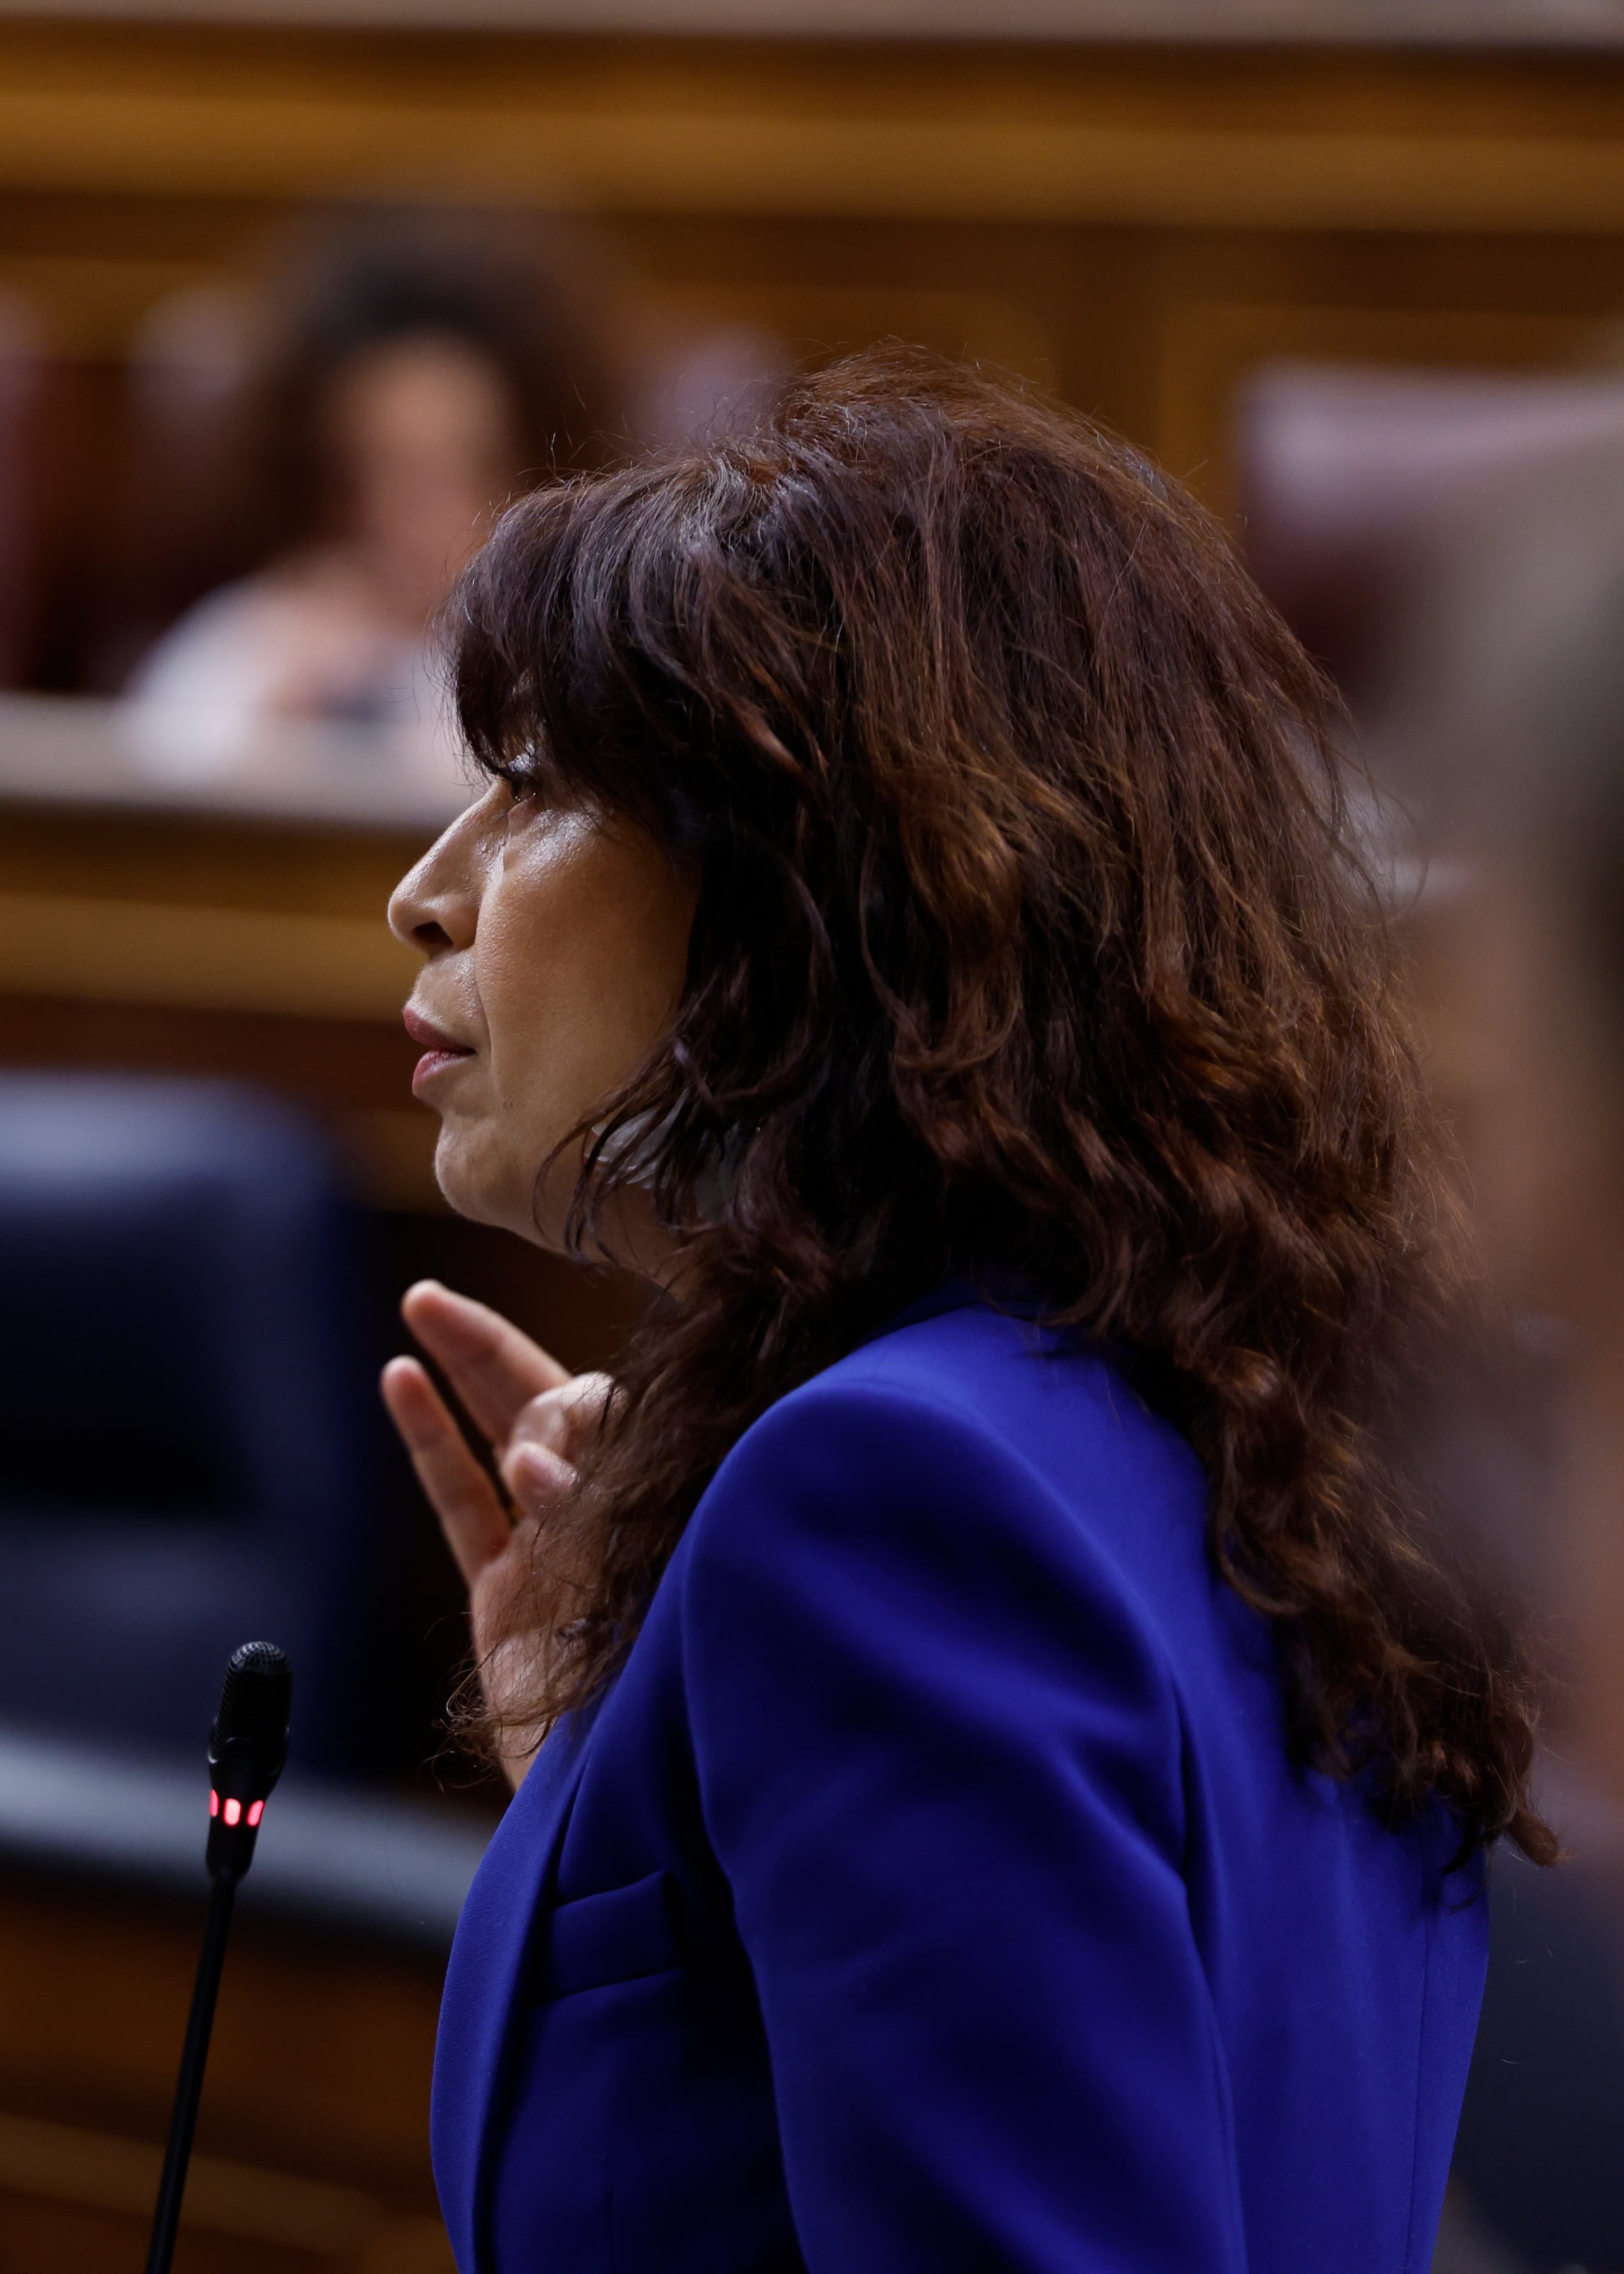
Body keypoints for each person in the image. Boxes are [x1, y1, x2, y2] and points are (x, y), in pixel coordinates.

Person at [376, 351, 1543, 2271]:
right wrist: (625, 1781)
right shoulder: (1260, 1437)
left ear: (821, 898)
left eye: (537, 791)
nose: (430, 891)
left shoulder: (883, 1496)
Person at [122, 207, 620, 793]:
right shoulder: (257, 635)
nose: (413, 511)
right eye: (379, 469)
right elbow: (145, 810)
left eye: (459, 468)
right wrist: (280, 713)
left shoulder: (578, 667)